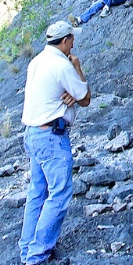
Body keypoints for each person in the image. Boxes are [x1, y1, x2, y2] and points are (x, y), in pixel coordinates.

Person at [19, 21, 91, 265]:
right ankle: (37, 255)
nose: (74, 43)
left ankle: (27, 249)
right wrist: (78, 69)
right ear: (64, 41)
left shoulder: (37, 61)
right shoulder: (62, 65)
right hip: (52, 136)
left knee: (37, 192)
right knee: (59, 194)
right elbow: (85, 98)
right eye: (71, 39)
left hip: (33, 133)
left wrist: (73, 93)